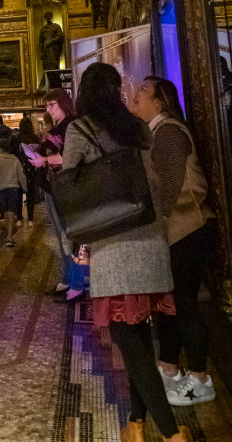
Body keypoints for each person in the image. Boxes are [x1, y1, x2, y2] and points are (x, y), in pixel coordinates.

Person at [61, 63, 191, 442]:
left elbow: (74, 190)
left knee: (128, 341)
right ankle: (136, 424)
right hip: (150, 238)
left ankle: (171, 434)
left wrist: (77, 244)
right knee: (138, 335)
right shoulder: (136, 127)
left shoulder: (79, 129)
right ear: (117, 90)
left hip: (114, 245)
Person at [133, 76, 216, 407]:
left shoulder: (167, 130)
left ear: (160, 102)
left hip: (188, 228)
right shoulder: (154, 132)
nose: (135, 94)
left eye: (142, 90)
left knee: (183, 304)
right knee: (168, 304)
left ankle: (200, 379)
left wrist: (155, 226)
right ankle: (169, 368)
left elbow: (171, 185)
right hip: (174, 231)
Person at [27, 89, 87, 301]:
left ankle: (75, 282)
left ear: (64, 103)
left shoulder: (72, 124)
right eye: (47, 106)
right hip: (55, 186)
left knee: (68, 236)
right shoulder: (63, 126)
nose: (48, 110)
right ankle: (68, 279)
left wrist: (43, 160)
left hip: (65, 187)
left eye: (52, 105)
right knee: (63, 236)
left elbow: (69, 157)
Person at [0, 138, 27, 246]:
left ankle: (8, 235)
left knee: (5, 212)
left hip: (1, 189)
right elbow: (21, 176)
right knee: (11, 212)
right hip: (13, 189)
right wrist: (25, 189)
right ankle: (10, 236)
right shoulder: (15, 160)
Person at [13, 116, 41, 227]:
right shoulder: (34, 138)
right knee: (30, 194)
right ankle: (30, 219)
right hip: (31, 168)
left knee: (18, 195)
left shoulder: (15, 138)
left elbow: (13, 153)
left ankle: (19, 218)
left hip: (18, 168)